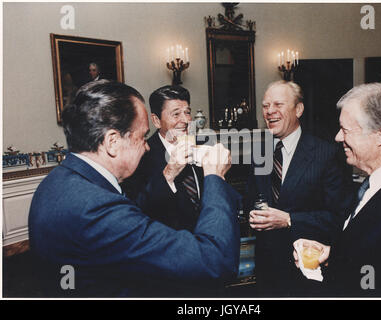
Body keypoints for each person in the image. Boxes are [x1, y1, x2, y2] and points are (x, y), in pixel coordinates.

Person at [28, 80, 241, 297]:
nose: (146, 145)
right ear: (112, 142)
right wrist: (215, 175)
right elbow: (215, 260)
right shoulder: (95, 207)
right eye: (141, 137)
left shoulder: (57, 180)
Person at [294, 83, 381, 297]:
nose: (337, 137)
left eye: (345, 130)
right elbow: (377, 255)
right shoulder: (380, 182)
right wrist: (333, 254)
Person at [246, 80, 354, 296]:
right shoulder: (259, 151)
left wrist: (289, 219)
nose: (270, 112)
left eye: (278, 104)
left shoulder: (327, 154)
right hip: (266, 271)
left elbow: (339, 217)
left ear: (299, 109)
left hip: (307, 272)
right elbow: (252, 199)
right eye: (266, 106)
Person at [122, 85, 202, 231]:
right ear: (156, 120)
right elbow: (137, 210)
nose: (185, 120)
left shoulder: (201, 146)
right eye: (176, 114)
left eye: (187, 112)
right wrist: (169, 174)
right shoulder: (141, 155)